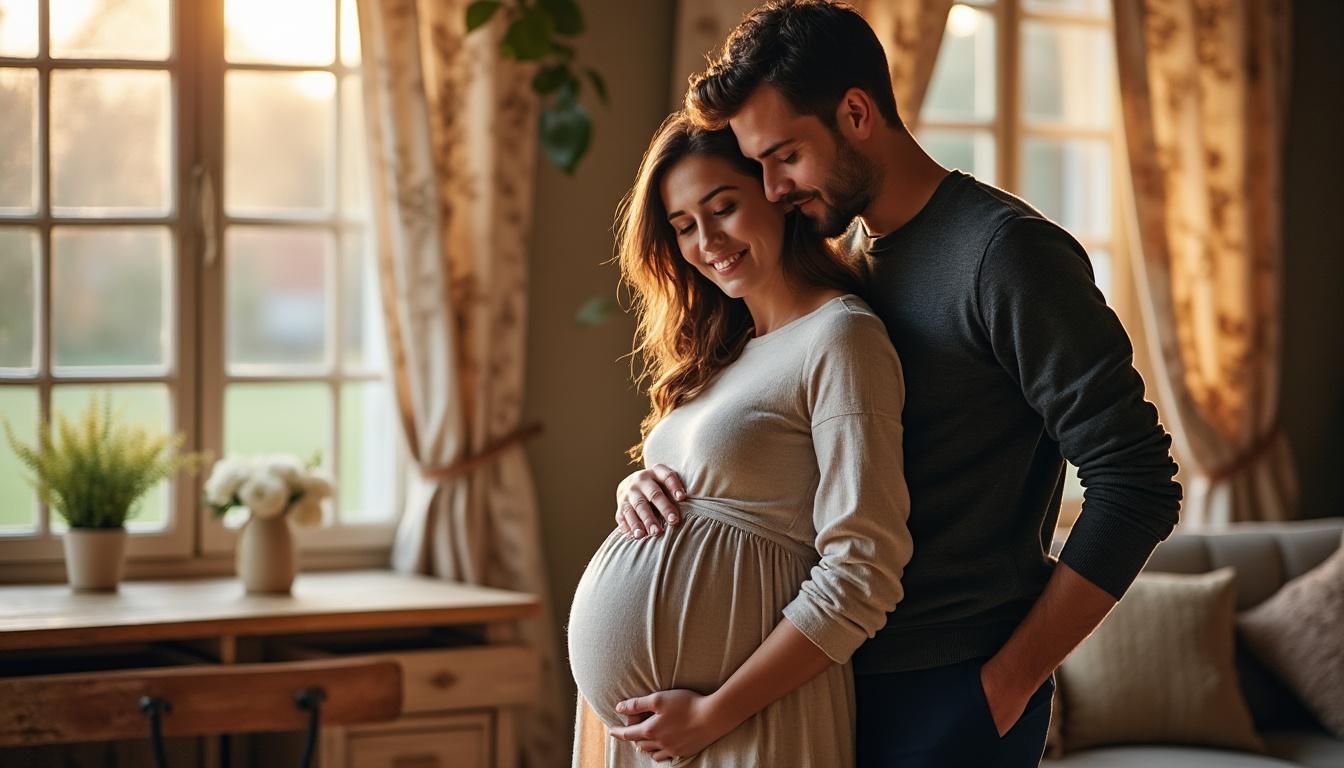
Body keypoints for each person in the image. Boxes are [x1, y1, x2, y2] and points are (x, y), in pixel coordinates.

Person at [609, 2, 1182, 766]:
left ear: (855, 113)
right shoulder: (842, 258)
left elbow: (1138, 482)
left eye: (785, 157)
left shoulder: (1006, 256)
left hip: (949, 685)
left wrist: (1007, 683)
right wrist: (650, 485)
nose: (771, 188)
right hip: (839, 672)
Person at [566, 111, 913, 767]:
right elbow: (713, 487)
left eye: (722, 208)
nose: (707, 241)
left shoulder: (841, 338)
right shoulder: (721, 354)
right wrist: (636, 485)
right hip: (656, 734)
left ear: (776, 196)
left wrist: (713, 713)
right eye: (684, 227)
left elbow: (864, 569)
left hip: (749, 720)